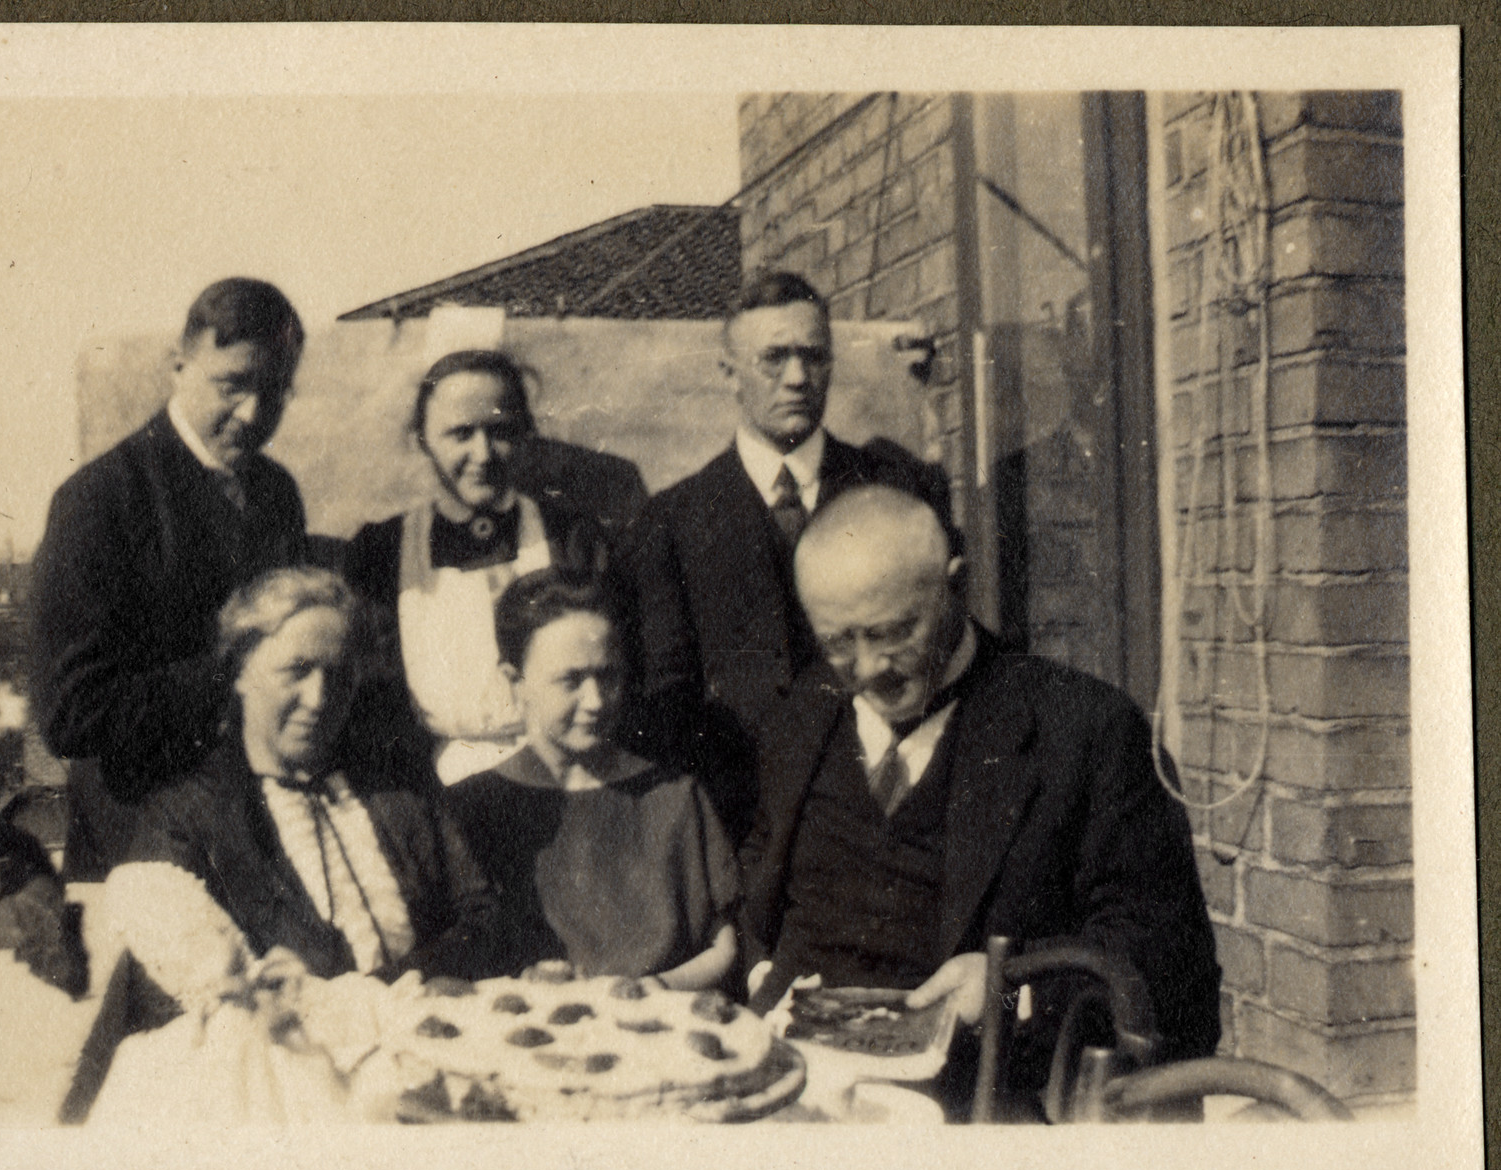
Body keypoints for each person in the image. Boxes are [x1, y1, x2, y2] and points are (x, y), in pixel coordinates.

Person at [738, 484, 1221, 1118]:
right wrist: (760, 979)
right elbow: (758, 890)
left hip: (976, 1101)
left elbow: (1168, 963)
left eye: (894, 632)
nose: (868, 667)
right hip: (791, 1092)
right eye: (837, 643)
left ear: (957, 586)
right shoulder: (801, 716)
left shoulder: (1084, 730)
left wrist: (1006, 989)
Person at [618, 271, 945, 844]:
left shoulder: (897, 489)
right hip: (745, 823)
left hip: (887, 813)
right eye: (774, 358)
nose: (797, 378)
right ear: (729, 374)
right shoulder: (673, 520)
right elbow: (666, 704)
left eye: (814, 357)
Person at [32, 278, 323, 883]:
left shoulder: (275, 494)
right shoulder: (99, 501)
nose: (252, 414)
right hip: (140, 832)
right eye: (232, 386)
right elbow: (70, 714)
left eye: (273, 392)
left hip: (256, 827)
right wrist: (235, 679)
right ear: (179, 364)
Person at [105, 566, 505, 994]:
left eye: (338, 675)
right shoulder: (186, 819)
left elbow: (481, 915)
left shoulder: (397, 781)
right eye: (297, 670)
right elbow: (187, 988)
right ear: (241, 671)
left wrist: (397, 990)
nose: (318, 700)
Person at [444, 569, 740, 990]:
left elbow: (724, 948)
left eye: (608, 676)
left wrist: (651, 991)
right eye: (571, 680)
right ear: (515, 682)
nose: (596, 701)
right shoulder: (471, 810)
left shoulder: (672, 795)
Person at [344, 350, 607, 788]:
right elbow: (374, 701)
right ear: (422, 439)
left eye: (499, 431)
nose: (482, 454)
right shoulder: (383, 552)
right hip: (437, 786)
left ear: (525, 434)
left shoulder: (570, 538)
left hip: (558, 776)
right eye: (460, 434)